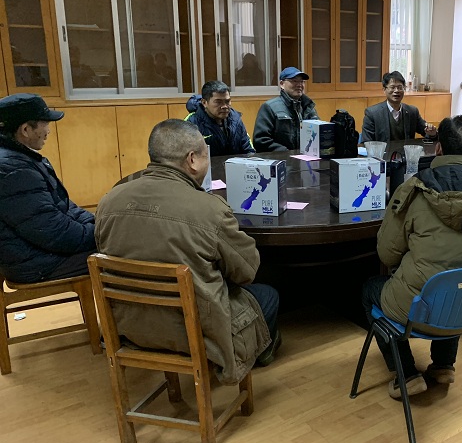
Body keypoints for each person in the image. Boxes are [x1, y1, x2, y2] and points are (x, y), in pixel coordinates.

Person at [95, 119, 280, 384]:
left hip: (129, 326)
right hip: (194, 333)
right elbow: (246, 272)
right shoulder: (210, 210)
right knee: (268, 295)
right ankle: (257, 354)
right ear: (192, 160)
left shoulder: (109, 201)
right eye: (206, 156)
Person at [360, 114, 462, 398]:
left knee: (371, 288)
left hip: (421, 310)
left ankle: (406, 374)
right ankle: (444, 365)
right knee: (461, 276)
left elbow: (387, 254)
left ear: (438, 149)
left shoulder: (414, 190)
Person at [0, 93, 96, 283]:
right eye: (45, 124)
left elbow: (64, 205)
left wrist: (95, 223)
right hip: (35, 263)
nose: (49, 131)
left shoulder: (20, 159)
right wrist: (101, 234)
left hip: (35, 254)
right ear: (26, 129)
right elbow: (53, 232)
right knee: (123, 253)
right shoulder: (13, 169)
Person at [253, 67, 319, 151]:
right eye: (294, 81)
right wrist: (287, 153)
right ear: (282, 84)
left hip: (306, 155)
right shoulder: (270, 107)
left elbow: (317, 133)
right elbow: (261, 140)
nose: (299, 85)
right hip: (280, 157)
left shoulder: (308, 107)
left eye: (302, 81)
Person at [361, 71, 438, 142]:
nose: (396, 91)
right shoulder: (372, 114)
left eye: (400, 87)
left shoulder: (412, 112)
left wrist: (432, 134)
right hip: (382, 153)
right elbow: (366, 143)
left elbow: (427, 133)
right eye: (392, 87)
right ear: (384, 90)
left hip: (406, 152)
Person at [185, 80, 256, 157]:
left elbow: (249, 150)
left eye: (227, 101)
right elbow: (187, 156)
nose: (224, 106)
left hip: (236, 164)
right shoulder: (191, 123)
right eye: (218, 102)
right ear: (204, 103)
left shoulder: (235, 119)